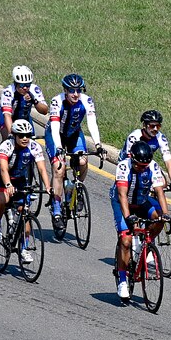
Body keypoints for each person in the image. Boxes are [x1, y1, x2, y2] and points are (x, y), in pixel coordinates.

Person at [111, 139, 169, 304]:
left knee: (160, 218)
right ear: (132, 159)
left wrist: (166, 214)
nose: (143, 168)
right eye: (139, 166)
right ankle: (123, 279)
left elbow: (159, 192)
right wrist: (129, 217)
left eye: (145, 166)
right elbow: (122, 195)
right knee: (126, 240)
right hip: (122, 202)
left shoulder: (152, 166)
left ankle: (148, 244)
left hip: (142, 201)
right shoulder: (124, 166)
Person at [0, 118, 48, 266]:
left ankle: (23, 249)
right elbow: (3, 168)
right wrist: (8, 184)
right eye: (21, 135)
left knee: (25, 214)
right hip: (1, 178)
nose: (24, 138)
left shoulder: (34, 147)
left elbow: (42, 169)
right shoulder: (6, 146)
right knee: (3, 200)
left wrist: (48, 187)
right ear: (14, 135)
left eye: (28, 135)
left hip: (20, 179)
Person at [47, 73, 103, 226]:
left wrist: (98, 145)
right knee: (59, 168)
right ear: (65, 90)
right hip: (56, 134)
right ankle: (57, 207)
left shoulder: (86, 101)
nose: (76, 94)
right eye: (72, 90)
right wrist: (59, 147)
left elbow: (92, 123)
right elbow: (55, 126)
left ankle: (76, 189)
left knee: (83, 161)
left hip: (74, 134)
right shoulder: (57, 101)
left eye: (79, 90)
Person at [121, 109, 171, 193]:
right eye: (152, 126)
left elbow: (168, 161)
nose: (156, 129)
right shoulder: (134, 137)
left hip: (146, 162)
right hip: (130, 163)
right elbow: (130, 160)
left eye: (158, 126)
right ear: (144, 125)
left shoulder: (160, 137)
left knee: (162, 183)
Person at [0, 65, 48, 140]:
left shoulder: (34, 89)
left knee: (31, 143)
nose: (25, 88)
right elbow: (7, 115)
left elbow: (44, 111)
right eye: (22, 85)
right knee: (9, 140)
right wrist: (11, 134)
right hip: (9, 117)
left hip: (25, 118)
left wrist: (35, 101)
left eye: (28, 85)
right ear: (16, 84)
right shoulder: (8, 92)